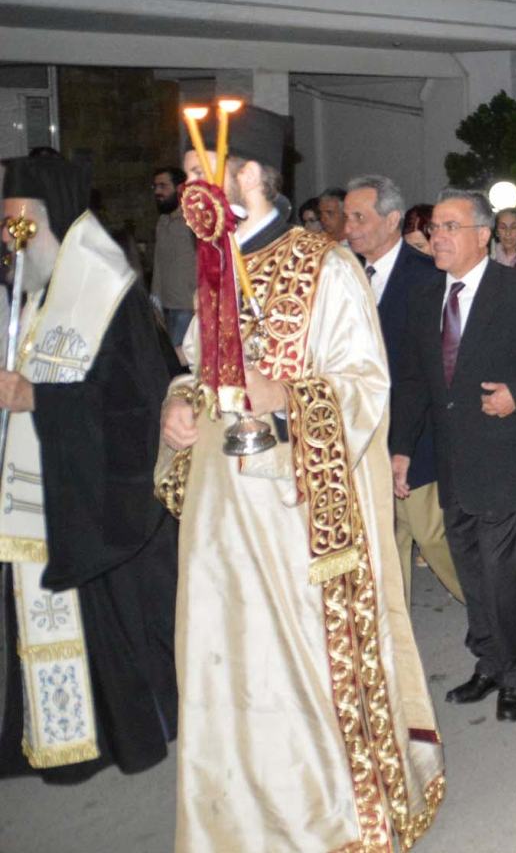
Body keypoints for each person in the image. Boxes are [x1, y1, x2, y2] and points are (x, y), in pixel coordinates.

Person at [159, 113, 445, 849]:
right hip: (218, 516)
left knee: (292, 664)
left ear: (252, 175)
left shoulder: (325, 266)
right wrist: (179, 407)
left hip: (292, 513)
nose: (191, 189)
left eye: (201, 174)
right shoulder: (214, 265)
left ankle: (320, 816)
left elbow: (365, 385)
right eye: (187, 176)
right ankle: (230, 820)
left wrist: (285, 396)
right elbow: (196, 369)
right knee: (223, 663)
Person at [0, 155, 178, 783]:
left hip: (99, 498)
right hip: (46, 488)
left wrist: (36, 399)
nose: (10, 240)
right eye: (5, 226)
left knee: (107, 624)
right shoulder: (41, 288)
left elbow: (134, 403)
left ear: (52, 218)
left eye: (19, 226)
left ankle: (111, 736)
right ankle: (57, 739)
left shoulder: (105, 290)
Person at [389, 190, 516, 726]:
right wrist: (402, 448)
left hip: (502, 458)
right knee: (470, 570)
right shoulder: (426, 296)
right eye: (434, 228)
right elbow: (414, 381)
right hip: (450, 460)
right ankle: (488, 662)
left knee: (502, 574)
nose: (438, 237)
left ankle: (514, 676)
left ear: (482, 235)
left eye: (450, 226)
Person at [343, 175, 462, 605]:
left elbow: (438, 364)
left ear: (392, 219)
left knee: (430, 533)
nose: (349, 228)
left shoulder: (427, 277)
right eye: (346, 218)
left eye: (360, 217)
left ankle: (493, 603)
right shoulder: (343, 272)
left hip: (415, 423)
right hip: (360, 424)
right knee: (384, 536)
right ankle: (392, 631)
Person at [150, 165, 196, 348]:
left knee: (181, 359)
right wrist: (155, 299)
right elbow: (158, 262)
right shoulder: (162, 221)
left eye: (163, 186)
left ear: (179, 188)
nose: (158, 192)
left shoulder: (192, 221)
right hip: (166, 307)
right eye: (155, 187)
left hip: (188, 308)